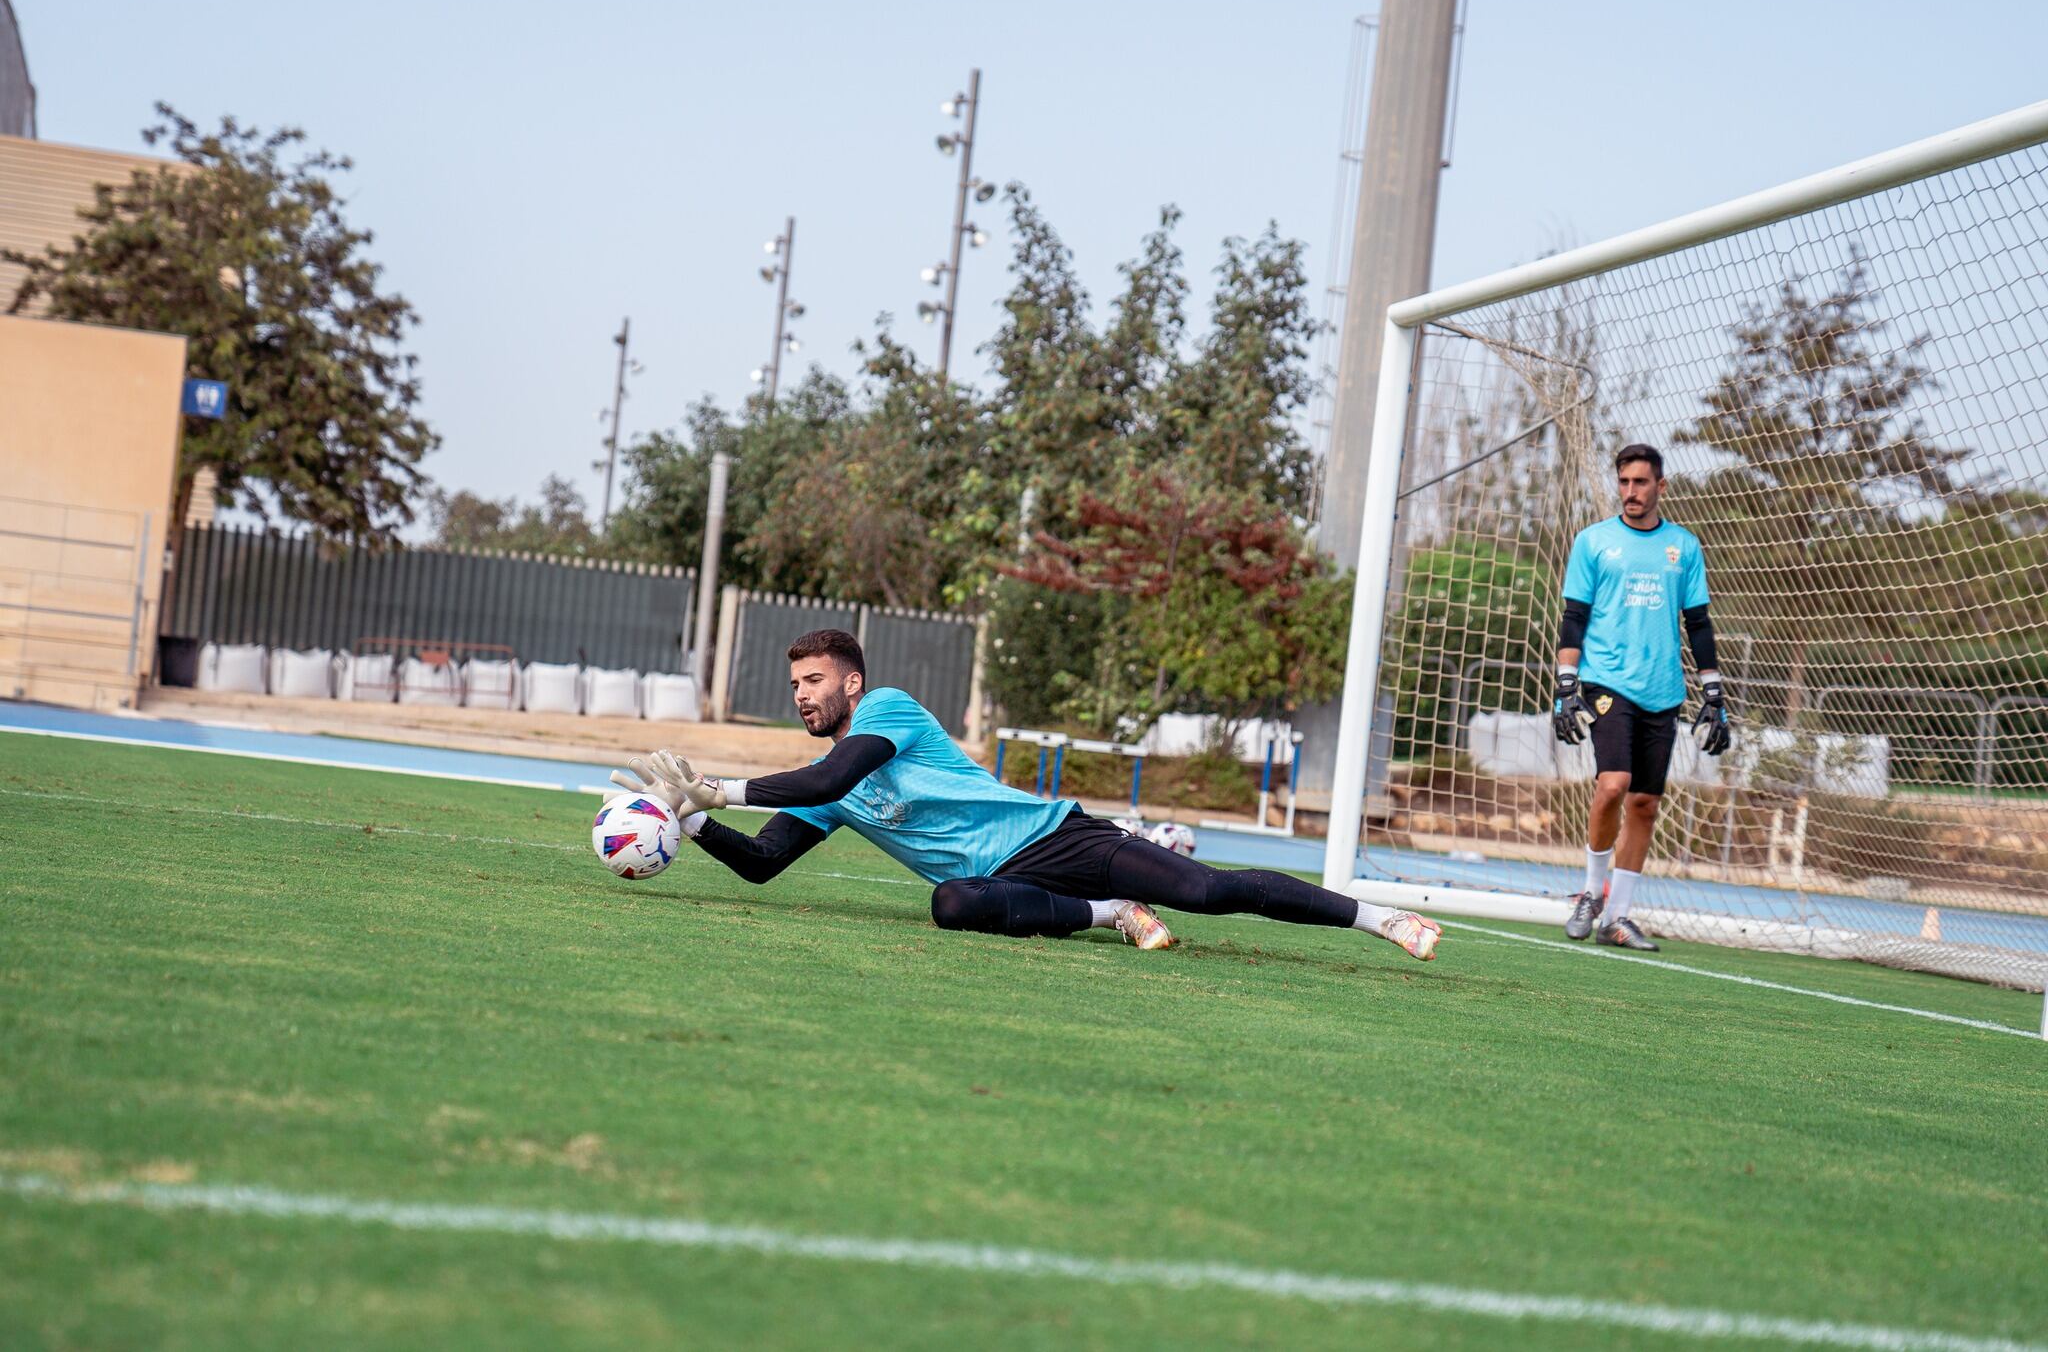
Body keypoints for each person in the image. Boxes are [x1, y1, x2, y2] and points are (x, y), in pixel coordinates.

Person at [612, 628, 1442, 960]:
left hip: (1057, 838)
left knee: (1211, 892)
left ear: (851, 682)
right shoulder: (821, 784)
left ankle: (1379, 917)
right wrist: (691, 819)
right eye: (794, 683)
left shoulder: (888, 709)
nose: (802, 693)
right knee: (951, 902)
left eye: (814, 680)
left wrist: (721, 785)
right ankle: (1109, 913)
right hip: (1013, 882)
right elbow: (762, 863)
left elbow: (831, 776)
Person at [1553, 443, 1732, 951]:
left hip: (1664, 690)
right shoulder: (1594, 542)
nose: (1631, 492)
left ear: (1660, 486)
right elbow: (1573, 617)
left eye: (1641, 482)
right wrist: (1567, 683)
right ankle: (1591, 892)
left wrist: (1713, 691)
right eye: (1625, 482)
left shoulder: (1685, 547)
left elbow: (1697, 623)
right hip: (1607, 680)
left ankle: (1619, 917)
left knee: (1647, 803)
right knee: (1613, 784)